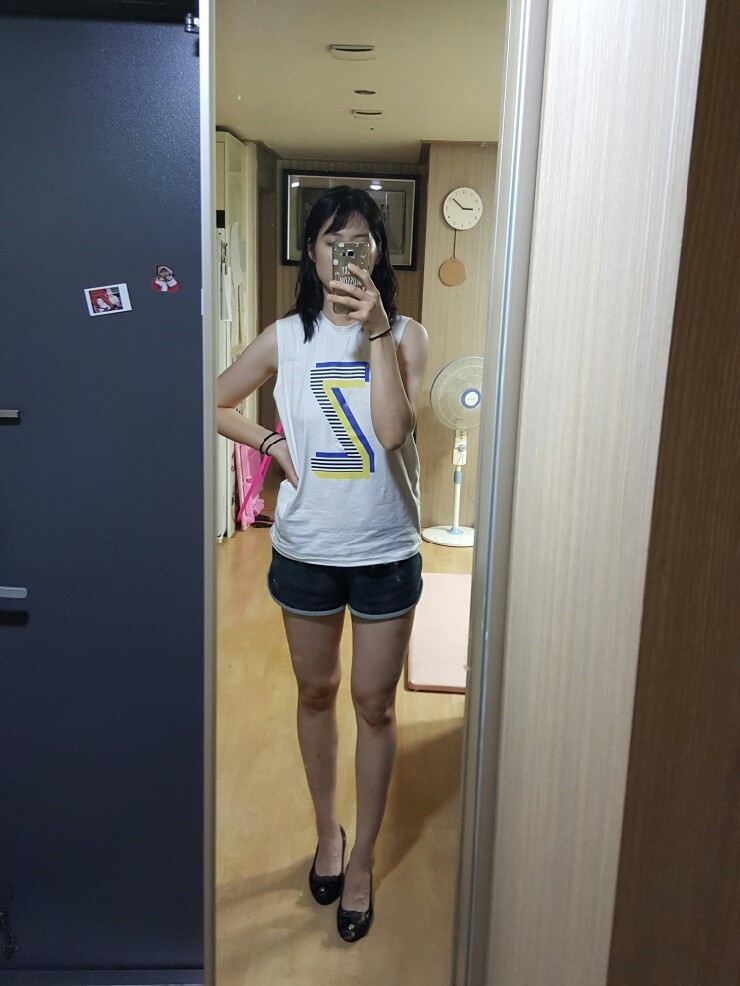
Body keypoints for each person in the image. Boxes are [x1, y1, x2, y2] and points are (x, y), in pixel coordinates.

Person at [216, 185, 428, 943]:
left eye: (360, 242)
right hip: (305, 551)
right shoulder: (285, 337)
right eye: (333, 242)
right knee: (316, 693)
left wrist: (376, 330)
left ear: (378, 253)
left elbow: (394, 432)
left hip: (384, 550)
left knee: (374, 704)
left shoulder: (407, 335)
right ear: (310, 253)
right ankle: (327, 834)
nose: (346, 254)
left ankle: (362, 858)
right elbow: (213, 399)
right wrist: (270, 442)